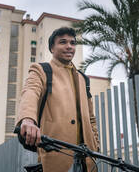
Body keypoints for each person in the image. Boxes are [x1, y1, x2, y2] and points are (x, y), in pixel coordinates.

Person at [16, 27, 100, 171]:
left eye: (72, 43)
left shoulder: (83, 79)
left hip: (88, 159)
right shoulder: (41, 70)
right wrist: (28, 119)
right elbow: (30, 91)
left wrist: (96, 143)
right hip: (55, 154)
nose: (69, 46)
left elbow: (91, 117)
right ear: (52, 48)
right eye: (63, 42)